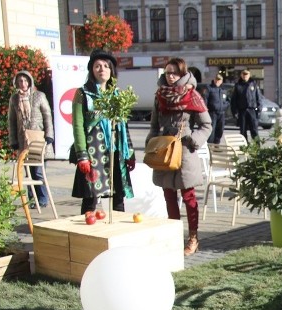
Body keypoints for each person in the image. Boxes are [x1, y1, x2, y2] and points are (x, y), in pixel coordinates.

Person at [147, 57, 212, 256]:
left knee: (188, 196)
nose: (171, 76)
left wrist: (192, 140)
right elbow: (153, 125)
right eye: (168, 72)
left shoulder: (192, 95)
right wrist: (151, 145)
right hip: (165, 150)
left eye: (175, 72)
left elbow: (206, 125)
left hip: (184, 151)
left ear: (183, 74)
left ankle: (193, 237)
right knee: (168, 195)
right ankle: (174, 236)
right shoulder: (160, 96)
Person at [70, 50, 136, 215]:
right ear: (91, 70)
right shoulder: (82, 94)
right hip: (94, 152)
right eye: (97, 66)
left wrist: (130, 152)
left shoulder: (118, 95)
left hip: (116, 151)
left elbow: (124, 125)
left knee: (118, 194)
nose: (102, 69)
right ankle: (86, 233)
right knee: (91, 196)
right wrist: (82, 155)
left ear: (111, 70)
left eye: (106, 66)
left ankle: (118, 232)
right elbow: (78, 126)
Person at [7, 70, 53, 208]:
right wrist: (13, 140)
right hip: (23, 141)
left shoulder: (39, 96)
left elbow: (47, 116)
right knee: (28, 172)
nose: (23, 83)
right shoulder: (14, 99)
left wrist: (49, 135)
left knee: (38, 171)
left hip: (38, 139)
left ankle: (43, 199)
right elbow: (12, 121)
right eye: (20, 81)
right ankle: (32, 200)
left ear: (30, 81)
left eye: (25, 80)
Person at [230, 68, 260, 141]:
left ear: (249, 75)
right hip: (242, 111)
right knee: (243, 131)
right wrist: (235, 112)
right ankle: (245, 147)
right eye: (243, 74)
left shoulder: (254, 84)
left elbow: (258, 98)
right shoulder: (238, 85)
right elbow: (234, 100)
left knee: (254, 130)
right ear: (241, 75)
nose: (245, 76)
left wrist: (259, 110)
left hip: (252, 110)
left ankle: (257, 148)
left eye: (246, 74)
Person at [199, 73, 226, 144]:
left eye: (219, 80)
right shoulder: (209, 88)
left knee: (220, 130)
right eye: (216, 79)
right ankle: (210, 146)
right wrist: (205, 111)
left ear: (221, 81)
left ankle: (216, 145)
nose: (217, 81)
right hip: (212, 113)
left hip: (221, 113)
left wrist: (224, 106)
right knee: (211, 130)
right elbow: (204, 100)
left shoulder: (223, 89)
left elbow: (227, 100)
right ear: (214, 80)